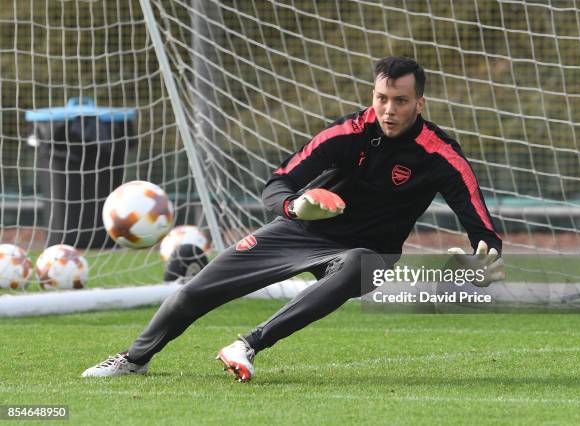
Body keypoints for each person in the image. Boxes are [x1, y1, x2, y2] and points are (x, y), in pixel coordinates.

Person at [82, 56, 503, 382]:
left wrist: (481, 262)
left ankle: (248, 345)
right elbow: (279, 182)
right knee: (196, 291)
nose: (388, 110)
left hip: (369, 253)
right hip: (300, 232)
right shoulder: (349, 132)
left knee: (358, 264)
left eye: (400, 101)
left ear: (420, 103)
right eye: (381, 99)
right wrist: (296, 207)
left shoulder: (441, 154)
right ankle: (134, 359)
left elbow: (481, 227)